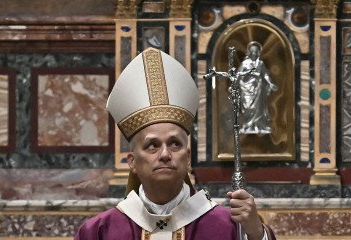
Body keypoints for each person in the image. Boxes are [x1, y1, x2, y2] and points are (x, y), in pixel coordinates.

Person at [74, 48, 276, 240]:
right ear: (132, 162)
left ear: (187, 157)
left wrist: (256, 234)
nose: (164, 154)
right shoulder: (100, 232)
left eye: (174, 144)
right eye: (152, 145)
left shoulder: (229, 226)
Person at [236, 41, 278, 134]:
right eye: (252, 51)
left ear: (258, 52)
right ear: (249, 52)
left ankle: (259, 126)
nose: (254, 53)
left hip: (258, 88)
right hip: (247, 89)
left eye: (256, 51)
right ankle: (247, 126)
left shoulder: (260, 63)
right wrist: (234, 85)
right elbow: (238, 75)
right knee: (248, 108)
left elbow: (265, 74)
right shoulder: (244, 63)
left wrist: (270, 83)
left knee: (259, 108)